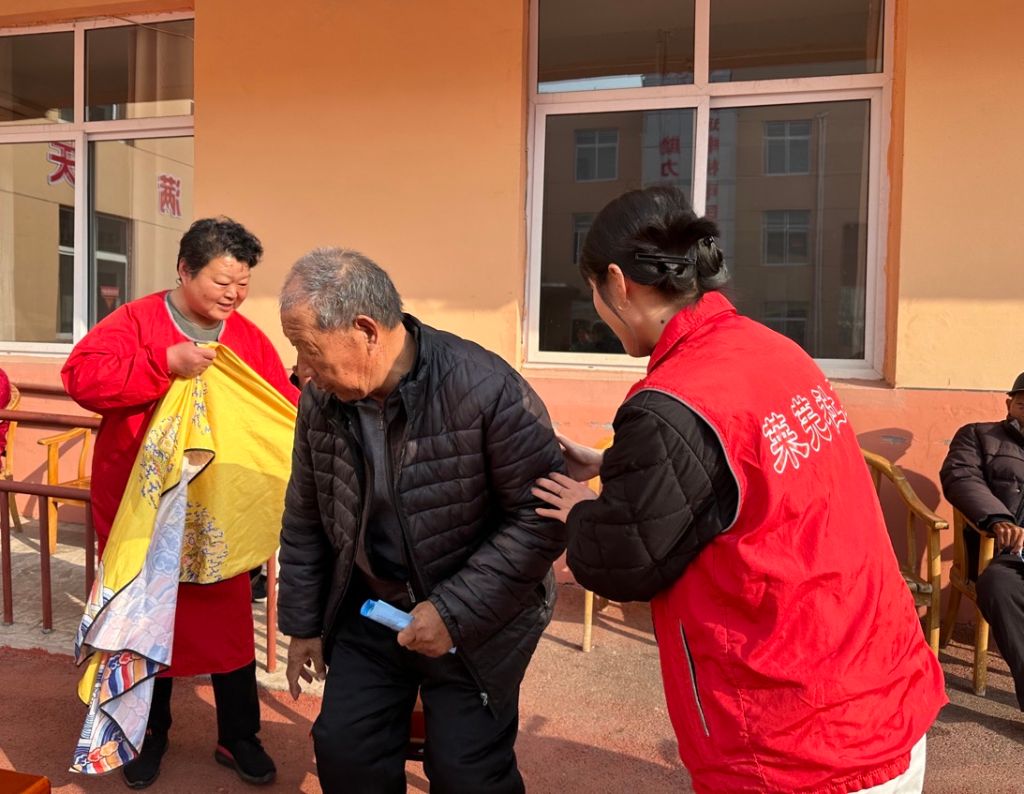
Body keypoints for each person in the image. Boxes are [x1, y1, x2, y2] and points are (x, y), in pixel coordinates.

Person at [532, 186, 946, 794]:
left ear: (617, 283)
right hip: (882, 690)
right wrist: (619, 467)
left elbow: (622, 562)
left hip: (796, 740)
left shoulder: (674, 399)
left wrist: (582, 512)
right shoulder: (772, 348)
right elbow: (739, 474)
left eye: (593, 290)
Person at [277, 247, 565, 793]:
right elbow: (306, 514)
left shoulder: (484, 387)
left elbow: (541, 518)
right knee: (345, 751)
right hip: (371, 608)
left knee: (467, 773)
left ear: (366, 330)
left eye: (308, 348)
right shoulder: (321, 400)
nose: (301, 370)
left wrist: (452, 611)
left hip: (477, 618)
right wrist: (303, 626)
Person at [62, 217, 299, 789]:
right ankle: (147, 735)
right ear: (184, 270)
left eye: (242, 284)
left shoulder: (246, 338)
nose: (233, 294)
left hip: (219, 516)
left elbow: (280, 403)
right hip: (142, 509)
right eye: (221, 281)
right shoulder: (136, 321)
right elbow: (81, 378)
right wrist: (161, 365)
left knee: (230, 631)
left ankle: (239, 736)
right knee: (148, 627)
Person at [941, 372, 1024, 711]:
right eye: (1023, 402)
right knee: (1000, 586)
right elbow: (961, 476)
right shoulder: (978, 435)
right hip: (1004, 553)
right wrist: (998, 518)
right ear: (1009, 404)